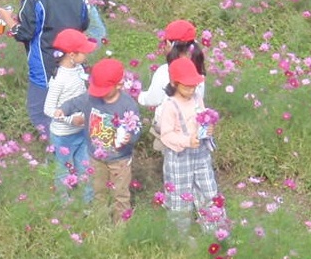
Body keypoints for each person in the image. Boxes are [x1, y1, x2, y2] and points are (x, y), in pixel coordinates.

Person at [0, 0, 88, 133]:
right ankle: (72, 143)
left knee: (39, 112)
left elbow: (24, 34)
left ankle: (57, 148)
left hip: (45, 65)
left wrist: (7, 19)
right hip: (74, 60)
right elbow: (83, 23)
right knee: (70, 104)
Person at [62, 58, 142, 221]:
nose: (98, 93)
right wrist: (63, 109)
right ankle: (100, 222)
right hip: (96, 157)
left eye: (103, 89)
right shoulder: (91, 97)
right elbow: (76, 102)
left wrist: (130, 137)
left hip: (119, 159)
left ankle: (120, 226)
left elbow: (136, 127)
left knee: (120, 194)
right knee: (98, 191)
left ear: (119, 85)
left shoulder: (127, 104)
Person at [154, 57, 223, 233]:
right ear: (174, 83)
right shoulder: (170, 106)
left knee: (208, 189)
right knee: (179, 197)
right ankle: (179, 236)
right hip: (179, 157)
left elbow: (202, 117)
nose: (191, 89)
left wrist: (207, 128)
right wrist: (186, 141)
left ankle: (216, 230)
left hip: (200, 154)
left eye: (194, 86)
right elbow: (166, 135)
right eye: (187, 86)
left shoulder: (197, 98)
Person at [43, 29, 97, 203]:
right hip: (63, 135)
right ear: (72, 54)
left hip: (81, 130)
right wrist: (69, 119)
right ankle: (63, 203)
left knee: (86, 166)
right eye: (84, 52)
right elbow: (49, 108)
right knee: (63, 169)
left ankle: (87, 201)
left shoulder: (79, 68)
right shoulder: (59, 79)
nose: (87, 54)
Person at [138, 19, 207, 109]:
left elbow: (153, 99)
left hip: (169, 119)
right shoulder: (197, 67)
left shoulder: (165, 71)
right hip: (191, 119)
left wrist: (138, 96)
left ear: (169, 44)